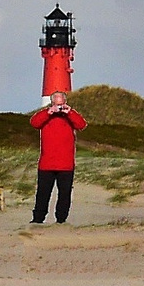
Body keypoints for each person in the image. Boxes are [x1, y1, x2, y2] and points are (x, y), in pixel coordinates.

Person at [29, 90, 87, 224]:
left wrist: (69, 112)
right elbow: (34, 123)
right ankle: (38, 219)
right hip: (46, 164)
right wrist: (49, 112)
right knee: (43, 194)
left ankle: (61, 219)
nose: (59, 107)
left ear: (65, 102)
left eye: (61, 102)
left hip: (66, 165)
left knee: (64, 194)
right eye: (56, 102)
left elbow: (81, 125)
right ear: (51, 102)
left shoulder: (70, 116)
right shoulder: (45, 115)